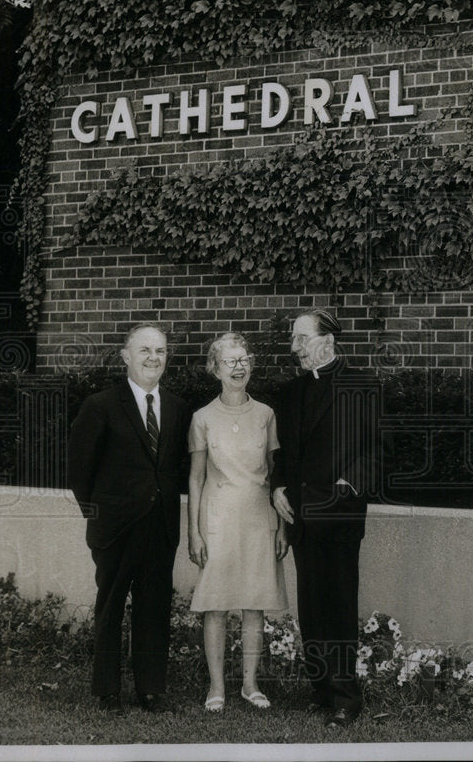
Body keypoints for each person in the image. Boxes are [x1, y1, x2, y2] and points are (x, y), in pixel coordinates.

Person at [67, 322, 191, 714]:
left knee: (154, 606)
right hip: (115, 528)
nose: (154, 358)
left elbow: (176, 468)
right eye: (145, 351)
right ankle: (107, 691)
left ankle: (151, 690)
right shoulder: (101, 405)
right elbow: (78, 471)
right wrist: (101, 515)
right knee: (111, 606)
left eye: (160, 351)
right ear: (126, 357)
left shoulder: (177, 407)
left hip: (161, 525)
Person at [270, 309, 378, 728]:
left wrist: (346, 486)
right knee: (311, 608)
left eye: (301, 339)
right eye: (294, 340)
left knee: (337, 604)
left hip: (338, 517)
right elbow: (280, 453)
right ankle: (320, 690)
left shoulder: (362, 386)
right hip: (300, 516)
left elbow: (374, 450)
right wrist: (278, 488)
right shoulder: (291, 393)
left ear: (328, 342)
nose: (294, 348)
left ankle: (346, 697)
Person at [187, 333, 288, 712]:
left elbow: (278, 476)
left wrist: (282, 525)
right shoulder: (202, 418)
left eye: (244, 359)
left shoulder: (265, 415)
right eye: (230, 361)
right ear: (215, 368)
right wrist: (194, 530)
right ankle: (216, 688)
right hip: (217, 519)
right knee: (216, 605)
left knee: (254, 604)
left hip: (259, 518)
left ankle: (249, 684)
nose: (239, 366)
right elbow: (196, 478)